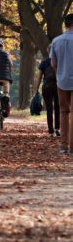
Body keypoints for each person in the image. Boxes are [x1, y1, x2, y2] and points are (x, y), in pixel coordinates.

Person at [50, 13, 73, 154]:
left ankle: (64, 145)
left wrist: (61, 71)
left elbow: (53, 63)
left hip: (62, 81)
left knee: (64, 112)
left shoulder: (56, 41)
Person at [35, 45, 60, 137]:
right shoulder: (59, 61)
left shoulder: (44, 62)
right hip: (58, 86)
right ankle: (57, 128)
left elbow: (39, 77)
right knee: (58, 108)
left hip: (47, 86)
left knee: (49, 109)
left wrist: (36, 89)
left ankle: (51, 131)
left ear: (48, 51)